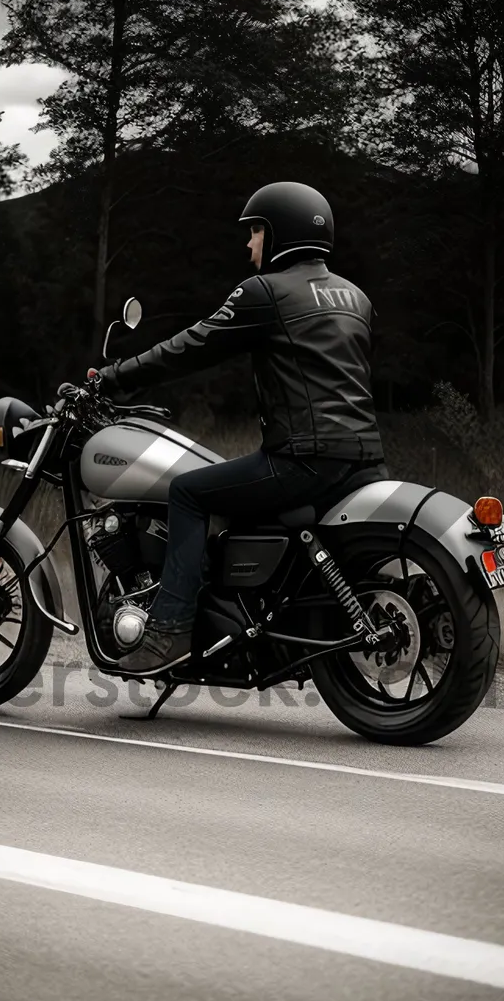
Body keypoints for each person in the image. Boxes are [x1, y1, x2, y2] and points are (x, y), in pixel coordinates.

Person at [97, 181, 386, 673]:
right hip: (363, 461)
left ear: (280, 234)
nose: (249, 244)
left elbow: (190, 346)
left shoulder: (265, 292)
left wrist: (113, 376)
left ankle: (168, 634)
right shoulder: (355, 297)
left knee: (188, 492)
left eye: (255, 231)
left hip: (302, 459)